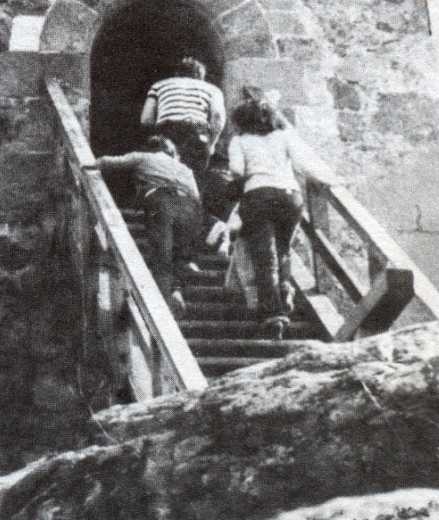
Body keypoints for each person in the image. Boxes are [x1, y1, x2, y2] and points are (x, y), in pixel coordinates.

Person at [228, 95, 335, 330]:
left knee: (264, 257)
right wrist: (331, 180)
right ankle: (285, 288)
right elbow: (303, 164)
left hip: (258, 196)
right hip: (289, 196)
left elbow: (236, 169)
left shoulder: (239, 141)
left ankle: (273, 314)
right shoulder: (284, 136)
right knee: (283, 248)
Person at [91, 135, 202, 314]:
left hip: (161, 202)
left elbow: (108, 162)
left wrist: (91, 164)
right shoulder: (185, 169)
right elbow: (197, 196)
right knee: (180, 256)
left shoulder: (143, 157)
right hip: (189, 208)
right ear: (170, 152)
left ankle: (164, 307)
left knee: (161, 255)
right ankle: (176, 290)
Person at [140, 57, 226, 175]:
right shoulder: (213, 89)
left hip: (166, 132)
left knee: (163, 175)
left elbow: (146, 119)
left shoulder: (158, 85)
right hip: (197, 133)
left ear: (177, 73)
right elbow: (218, 117)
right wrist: (211, 144)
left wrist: (156, 138)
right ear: (201, 75)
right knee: (193, 177)